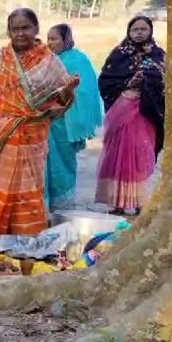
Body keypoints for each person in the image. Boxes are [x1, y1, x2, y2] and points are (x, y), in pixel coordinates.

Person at [0, 8, 79, 238]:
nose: (20, 33)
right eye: (15, 28)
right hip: (2, 133)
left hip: (33, 134)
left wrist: (67, 92)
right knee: (4, 185)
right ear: (9, 31)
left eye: (25, 27)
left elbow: (61, 99)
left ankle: (28, 237)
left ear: (36, 29)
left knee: (29, 187)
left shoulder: (49, 60)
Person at [95, 15, 165, 216]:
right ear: (129, 31)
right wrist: (128, 84)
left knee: (139, 154)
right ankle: (117, 202)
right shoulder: (118, 55)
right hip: (121, 109)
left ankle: (140, 201)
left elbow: (166, 83)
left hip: (145, 113)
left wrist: (147, 83)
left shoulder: (159, 55)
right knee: (118, 154)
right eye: (135, 29)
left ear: (150, 31)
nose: (139, 32)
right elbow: (106, 81)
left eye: (143, 29)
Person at [45, 24, 104, 211]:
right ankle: (45, 204)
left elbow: (86, 91)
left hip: (66, 122)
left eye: (54, 39)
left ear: (66, 39)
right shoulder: (47, 60)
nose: (50, 43)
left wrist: (67, 96)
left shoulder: (78, 59)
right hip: (46, 120)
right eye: (48, 38)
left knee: (63, 162)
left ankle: (63, 204)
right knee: (45, 163)